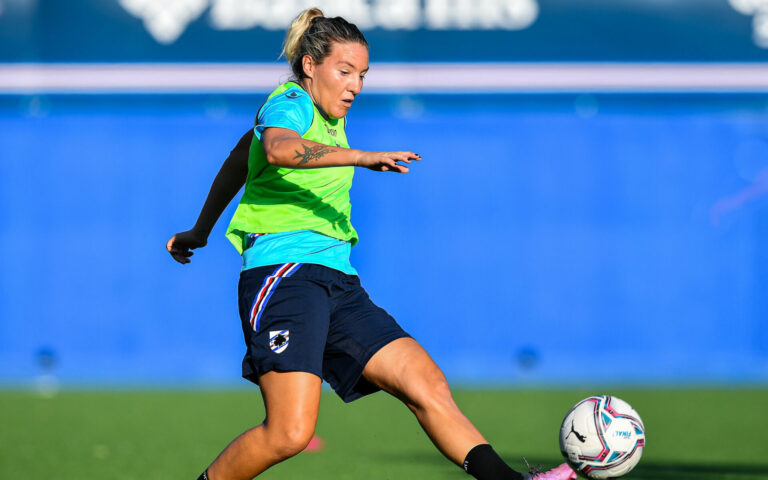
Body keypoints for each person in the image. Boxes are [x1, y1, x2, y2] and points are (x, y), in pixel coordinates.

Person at [166, 8, 578, 480]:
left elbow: (243, 156)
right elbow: (277, 148)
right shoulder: (289, 104)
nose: (355, 85)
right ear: (309, 65)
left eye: (362, 74)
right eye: (344, 71)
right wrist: (363, 156)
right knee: (288, 434)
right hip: (284, 276)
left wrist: (201, 230)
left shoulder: (322, 116)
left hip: (337, 279)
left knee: (426, 384)